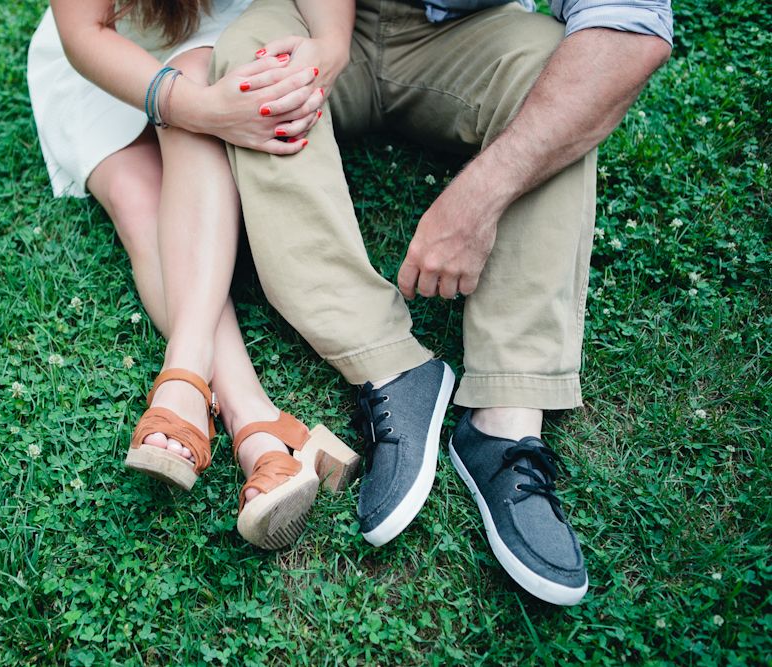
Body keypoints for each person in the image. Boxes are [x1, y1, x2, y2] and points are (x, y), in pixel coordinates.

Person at [209, 0, 672, 604]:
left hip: (464, 33)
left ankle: (505, 421)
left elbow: (629, 32)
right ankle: (390, 366)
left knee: (561, 74)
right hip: (323, 19)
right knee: (253, 55)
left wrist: (481, 193)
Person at [27, 0, 360, 550]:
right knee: (137, 202)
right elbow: (84, 29)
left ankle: (189, 382)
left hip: (228, 28)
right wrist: (198, 108)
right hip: (114, 48)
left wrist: (331, 43)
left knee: (199, 73)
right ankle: (251, 414)